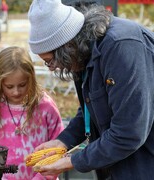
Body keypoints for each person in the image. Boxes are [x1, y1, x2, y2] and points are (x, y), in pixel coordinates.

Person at [27, 0, 154, 179]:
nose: (51, 68)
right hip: (115, 163)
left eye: (50, 60)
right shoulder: (82, 51)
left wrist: (73, 161)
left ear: (66, 47)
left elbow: (129, 132)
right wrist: (62, 142)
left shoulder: (122, 47)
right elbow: (90, 108)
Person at [0, 46, 64, 180]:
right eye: (9, 87)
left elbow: (59, 147)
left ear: (31, 78)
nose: (16, 92)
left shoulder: (45, 106)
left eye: (22, 85)